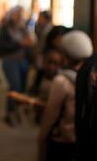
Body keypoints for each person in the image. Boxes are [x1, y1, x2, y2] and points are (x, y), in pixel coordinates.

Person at [38, 30, 93, 161]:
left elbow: (51, 115)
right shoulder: (92, 76)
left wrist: (41, 137)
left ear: (66, 55)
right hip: (85, 140)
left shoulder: (61, 81)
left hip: (62, 141)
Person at [0, 6, 33, 127]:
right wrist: (20, 44)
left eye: (20, 13)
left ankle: (18, 111)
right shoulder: (6, 28)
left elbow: (30, 41)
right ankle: (10, 113)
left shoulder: (23, 27)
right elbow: (3, 46)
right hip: (10, 61)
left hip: (23, 61)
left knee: (21, 88)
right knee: (14, 86)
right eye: (16, 13)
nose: (18, 16)